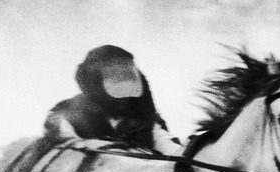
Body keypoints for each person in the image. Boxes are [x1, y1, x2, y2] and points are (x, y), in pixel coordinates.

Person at [45, 44, 180, 154]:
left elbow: (171, 150)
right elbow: (64, 155)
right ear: (94, 82)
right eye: (115, 80)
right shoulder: (66, 113)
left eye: (128, 78)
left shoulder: (146, 120)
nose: (123, 86)